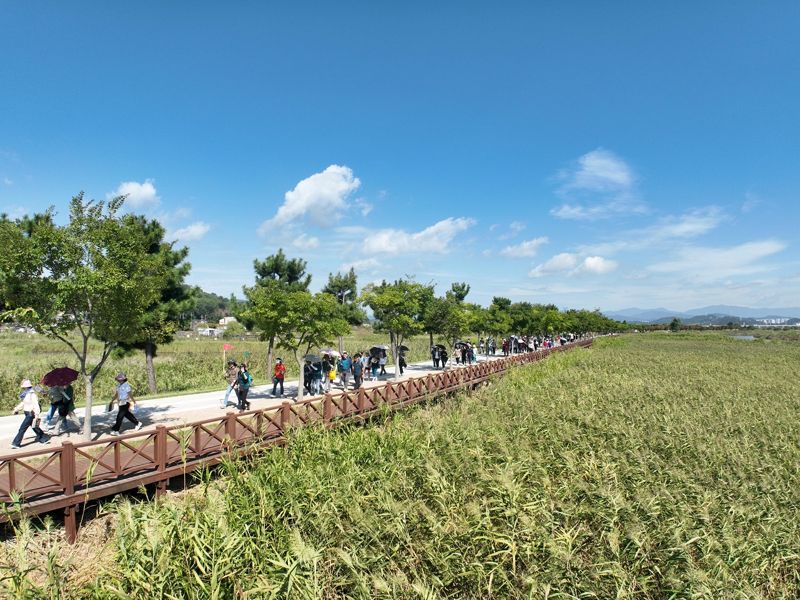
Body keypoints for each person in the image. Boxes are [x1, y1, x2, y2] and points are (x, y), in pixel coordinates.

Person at [11, 379, 49, 448]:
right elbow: (23, 403)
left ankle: (16, 443)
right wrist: (16, 409)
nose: (23, 387)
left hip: (30, 414)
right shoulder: (26, 393)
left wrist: (37, 414)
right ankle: (44, 438)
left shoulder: (32, 394)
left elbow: (36, 404)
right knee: (35, 427)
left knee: (22, 429)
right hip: (27, 413)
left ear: (26, 386)